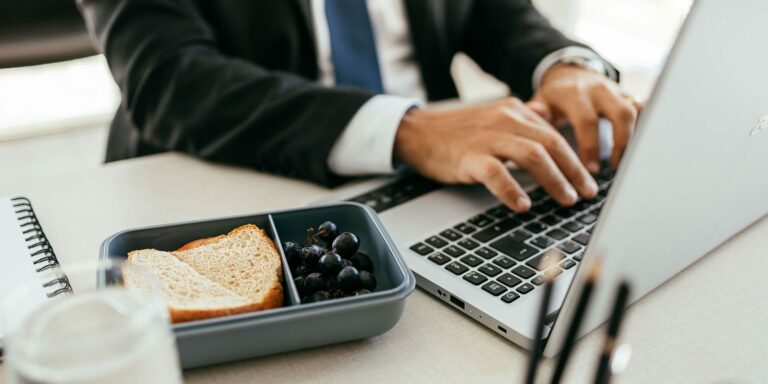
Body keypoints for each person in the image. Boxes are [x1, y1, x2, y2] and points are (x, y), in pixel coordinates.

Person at [78, 0, 639, 212]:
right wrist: (408, 131)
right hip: (231, 181)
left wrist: (561, 64)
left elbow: (487, 11)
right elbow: (170, 79)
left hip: (445, 183)